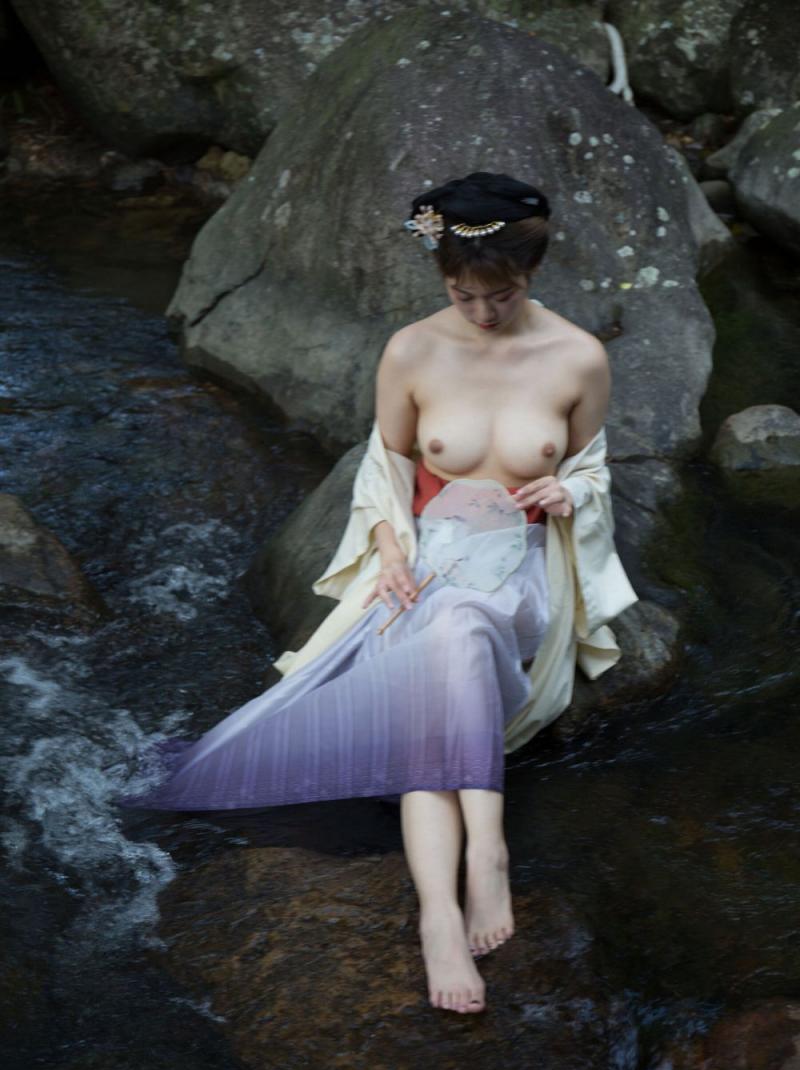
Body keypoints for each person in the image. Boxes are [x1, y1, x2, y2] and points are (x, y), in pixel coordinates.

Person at [120, 171, 637, 1016]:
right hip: (429, 563)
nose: (482, 312)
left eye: (501, 295)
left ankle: (478, 867)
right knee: (445, 639)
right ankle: (449, 900)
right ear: (443, 278)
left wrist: (568, 492)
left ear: (531, 272)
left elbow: (591, 468)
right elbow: (385, 465)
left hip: (518, 569)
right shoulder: (412, 351)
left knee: (457, 629)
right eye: (463, 295)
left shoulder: (578, 356)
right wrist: (390, 551)